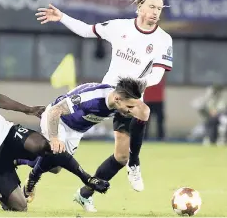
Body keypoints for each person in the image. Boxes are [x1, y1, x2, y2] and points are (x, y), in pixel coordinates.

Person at [35, 0, 173, 211]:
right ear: (140, 7)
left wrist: (139, 85)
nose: (156, 12)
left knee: (121, 157)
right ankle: (40, 152)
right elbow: (87, 31)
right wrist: (62, 17)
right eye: (152, 7)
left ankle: (87, 192)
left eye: (159, 9)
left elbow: (157, 74)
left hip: (131, 98)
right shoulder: (120, 27)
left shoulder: (163, 40)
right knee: (141, 113)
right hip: (109, 94)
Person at [0, 60, 109, 212]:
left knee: (49, 148)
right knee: (20, 207)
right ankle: (7, 184)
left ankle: (88, 179)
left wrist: (28, 109)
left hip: (8, 135)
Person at [15, 78, 146, 208]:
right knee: (57, 152)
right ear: (117, 99)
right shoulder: (92, 98)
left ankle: (18, 159)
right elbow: (55, 111)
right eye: (129, 107)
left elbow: (141, 112)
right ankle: (31, 180)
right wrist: (55, 138)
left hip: (76, 131)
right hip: (58, 119)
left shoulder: (119, 101)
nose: (131, 110)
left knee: (56, 168)